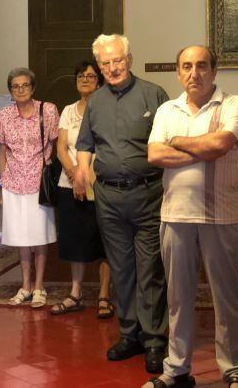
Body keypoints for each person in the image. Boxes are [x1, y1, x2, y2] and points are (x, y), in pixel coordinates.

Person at [145, 45, 238, 388]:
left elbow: (220, 145)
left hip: (220, 217)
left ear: (214, 71)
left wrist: (178, 142)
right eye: (187, 67)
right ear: (178, 73)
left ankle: (235, 371)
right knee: (178, 298)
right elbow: (154, 154)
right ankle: (176, 369)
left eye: (202, 66)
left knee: (227, 298)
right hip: (175, 216)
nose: (194, 73)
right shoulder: (166, 109)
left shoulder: (234, 104)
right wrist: (202, 149)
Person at [73, 34, 169, 374]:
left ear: (128, 59)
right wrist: (83, 169)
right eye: (105, 63)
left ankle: (155, 339)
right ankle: (130, 334)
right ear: (99, 66)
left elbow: (168, 142)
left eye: (117, 60)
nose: (112, 67)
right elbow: (85, 143)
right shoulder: (95, 102)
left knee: (150, 269)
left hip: (149, 195)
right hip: (109, 200)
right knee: (122, 270)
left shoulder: (154, 94)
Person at [52, 59, 113, 318]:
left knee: (105, 240)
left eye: (90, 76)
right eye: (80, 76)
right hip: (70, 183)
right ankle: (75, 293)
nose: (85, 80)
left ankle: (104, 295)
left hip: (101, 184)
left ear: (99, 80)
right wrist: (75, 173)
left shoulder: (107, 108)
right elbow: (61, 147)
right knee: (75, 239)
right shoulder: (68, 110)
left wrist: (87, 175)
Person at [0, 68, 59, 310]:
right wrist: (1, 185)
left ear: (32, 87)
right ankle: (25, 285)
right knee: (21, 236)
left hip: (38, 181)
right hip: (13, 182)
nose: (20, 89)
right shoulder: (4, 115)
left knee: (39, 235)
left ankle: (40, 286)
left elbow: (56, 144)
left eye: (24, 85)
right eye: (15, 86)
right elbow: (2, 153)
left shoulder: (48, 110)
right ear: (10, 90)